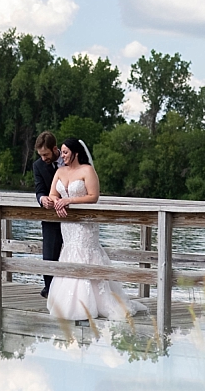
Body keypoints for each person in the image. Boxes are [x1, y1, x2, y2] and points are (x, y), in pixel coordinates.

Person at [46, 138, 145, 322]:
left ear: (76, 153)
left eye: (66, 152)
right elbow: (53, 192)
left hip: (85, 224)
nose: (63, 156)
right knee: (69, 253)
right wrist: (56, 201)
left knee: (85, 253)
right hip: (67, 224)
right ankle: (68, 302)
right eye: (62, 152)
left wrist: (69, 200)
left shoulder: (87, 170)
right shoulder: (60, 171)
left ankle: (95, 302)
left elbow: (93, 197)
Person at [33, 132, 64, 298]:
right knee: (49, 252)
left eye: (46, 154)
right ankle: (50, 289)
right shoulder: (38, 166)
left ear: (54, 149)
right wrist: (42, 198)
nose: (43, 158)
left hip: (73, 215)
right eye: (41, 155)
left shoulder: (69, 160)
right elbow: (39, 189)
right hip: (51, 216)